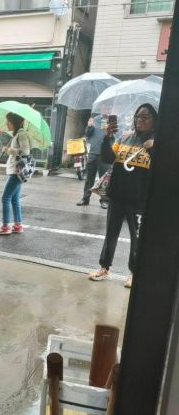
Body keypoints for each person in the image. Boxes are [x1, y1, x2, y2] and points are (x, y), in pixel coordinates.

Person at [88, 104, 156, 288]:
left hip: (139, 201)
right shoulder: (126, 138)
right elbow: (108, 158)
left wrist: (153, 149)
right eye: (137, 117)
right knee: (111, 233)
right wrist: (107, 138)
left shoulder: (156, 142)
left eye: (145, 117)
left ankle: (135, 273)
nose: (140, 120)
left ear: (154, 120)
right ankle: (104, 267)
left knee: (137, 238)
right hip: (117, 196)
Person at [0, 112, 30, 235]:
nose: (7, 124)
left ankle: (6, 226)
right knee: (14, 199)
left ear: (15, 123)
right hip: (14, 170)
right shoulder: (17, 134)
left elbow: (26, 151)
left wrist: (9, 150)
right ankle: (17, 225)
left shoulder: (22, 135)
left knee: (5, 198)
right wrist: (7, 150)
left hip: (16, 172)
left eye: (9, 122)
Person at [77, 110, 110, 209]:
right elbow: (87, 134)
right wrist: (90, 126)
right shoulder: (94, 119)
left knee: (104, 180)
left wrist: (107, 125)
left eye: (108, 106)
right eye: (104, 107)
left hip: (104, 155)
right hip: (92, 154)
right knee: (89, 179)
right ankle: (85, 198)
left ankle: (104, 200)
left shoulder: (112, 121)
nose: (105, 108)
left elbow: (111, 136)